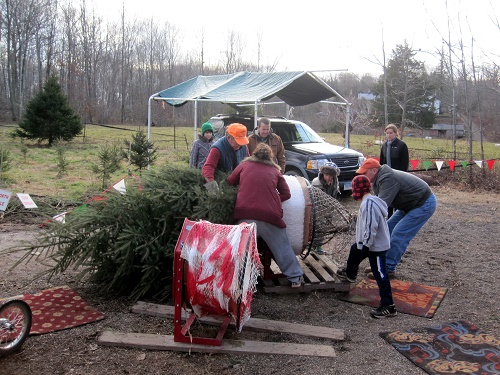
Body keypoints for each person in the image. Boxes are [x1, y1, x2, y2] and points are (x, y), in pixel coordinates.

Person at [226, 143, 304, 288]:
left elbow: (230, 181)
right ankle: (295, 278)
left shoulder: (244, 165)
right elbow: (287, 194)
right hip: (269, 217)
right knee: (282, 246)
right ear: (270, 157)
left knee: (242, 249)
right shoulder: (275, 171)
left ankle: (236, 279)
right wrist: (273, 200)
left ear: (254, 154)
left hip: (245, 214)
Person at [356, 158, 437, 277]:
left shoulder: (388, 179)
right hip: (409, 204)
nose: (363, 175)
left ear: (373, 170)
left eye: (364, 172)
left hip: (423, 204)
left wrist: (364, 219)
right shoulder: (378, 179)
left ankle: (388, 268)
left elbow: (381, 206)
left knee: (399, 234)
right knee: (387, 229)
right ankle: (382, 264)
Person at [336, 175, 396, 318]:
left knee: (380, 274)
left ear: (358, 190)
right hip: (368, 243)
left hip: (375, 246)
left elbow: (371, 226)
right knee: (354, 250)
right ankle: (351, 273)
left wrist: (366, 245)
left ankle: (388, 306)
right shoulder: (369, 202)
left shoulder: (368, 204)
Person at [379, 124, 409, 218]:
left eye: (391, 133)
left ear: (396, 133)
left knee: (397, 198)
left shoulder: (402, 145)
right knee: (387, 199)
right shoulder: (384, 146)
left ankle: (397, 217)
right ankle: (388, 218)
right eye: (387, 133)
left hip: (398, 176)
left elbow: (404, 163)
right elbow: (381, 162)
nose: (389, 135)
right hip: (387, 176)